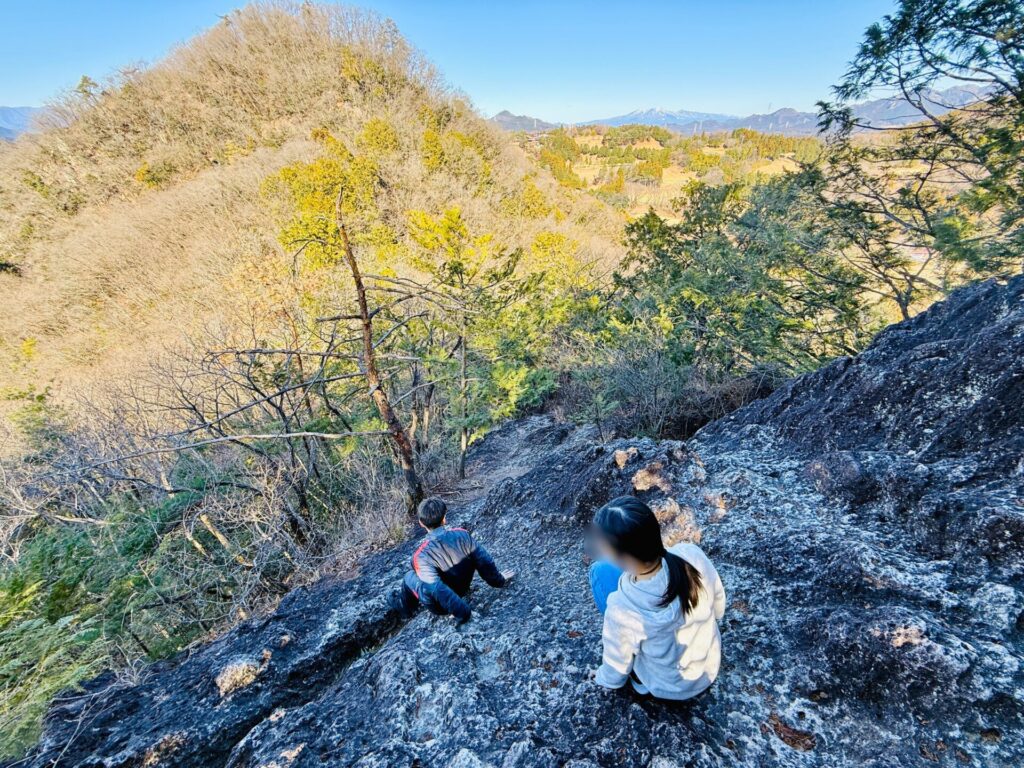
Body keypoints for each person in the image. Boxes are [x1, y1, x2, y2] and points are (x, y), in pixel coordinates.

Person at [587, 496, 726, 700]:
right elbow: (718, 601)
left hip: (666, 687)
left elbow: (616, 667)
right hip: (708, 666)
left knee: (599, 571)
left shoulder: (622, 608)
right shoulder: (691, 555)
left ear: (623, 558)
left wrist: (602, 678)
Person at [394, 497, 514, 623]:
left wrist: (462, 612)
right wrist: (499, 580)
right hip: (463, 589)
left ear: (421, 523)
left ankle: (405, 609)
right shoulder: (463, 535)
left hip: (442, 608)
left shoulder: (420, 556)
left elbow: (436, 589)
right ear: (444, 518)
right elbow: (484, 561)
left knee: (409, 576)